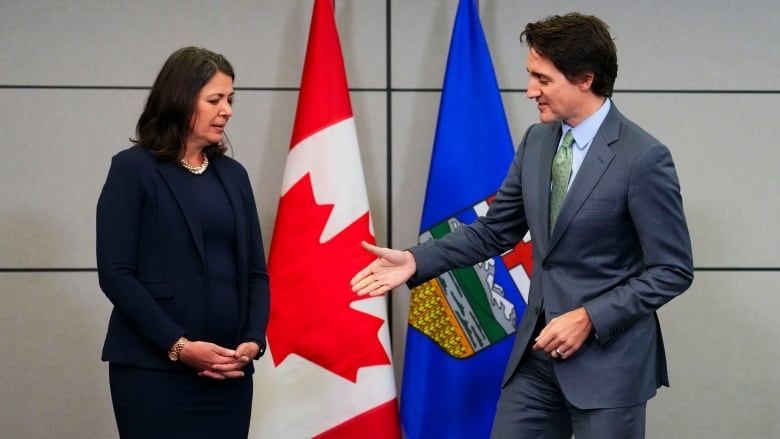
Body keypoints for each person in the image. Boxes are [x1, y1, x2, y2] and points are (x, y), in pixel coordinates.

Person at [351, 12, 693, 439]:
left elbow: (672, 270)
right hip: (536, 360)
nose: (531, 90)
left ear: (585, 79)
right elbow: (495, 231)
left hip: (610, 366)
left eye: (543, 80)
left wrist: (589, 316)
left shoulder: (643, 158)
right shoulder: (536, 141)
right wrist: (414, 260)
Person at [96, 47, 270, 438]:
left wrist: (253, 341)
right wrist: (179, 346)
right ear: (178, 100)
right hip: (153, 371)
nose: (227, 110)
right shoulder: (133, 169)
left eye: (230, 99)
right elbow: (116, 274)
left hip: (229, 373)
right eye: (215, 100)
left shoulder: (234, 176)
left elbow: (256, 274)